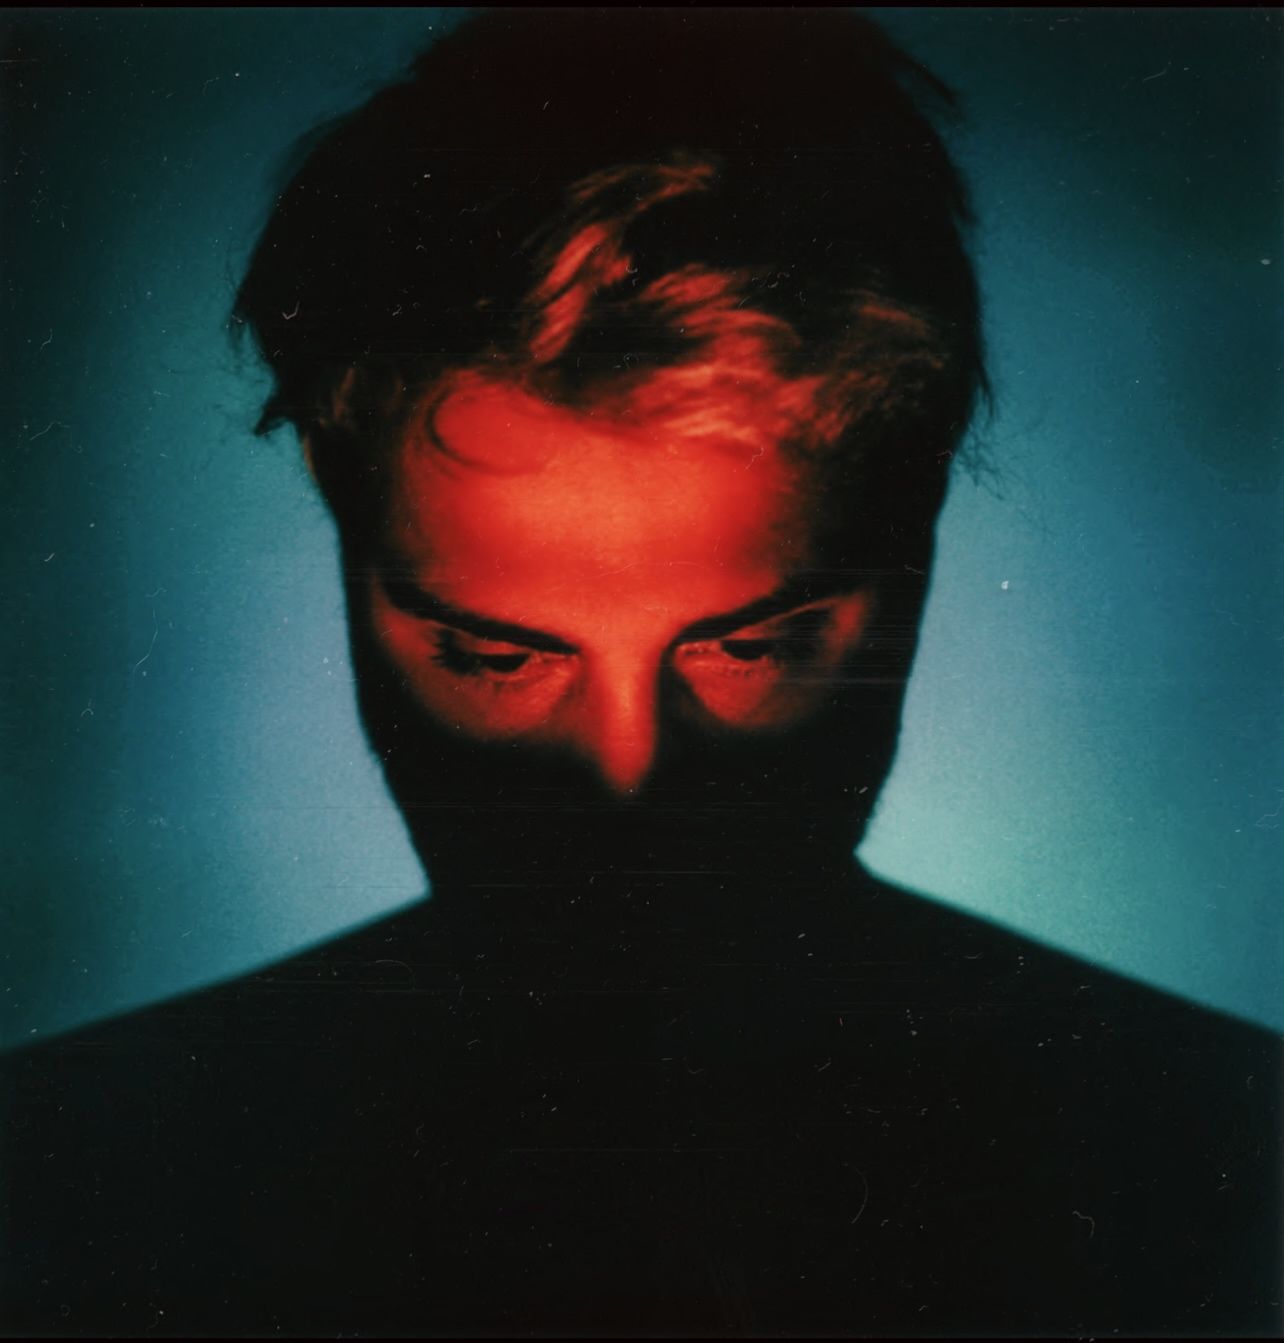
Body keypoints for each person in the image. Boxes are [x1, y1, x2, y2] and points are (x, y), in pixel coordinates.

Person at [3, 9, 1278, 1337]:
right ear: (344, 542)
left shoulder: (1229, 1183)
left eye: (752, 645)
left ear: (916, 560)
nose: (627, 780)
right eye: (495, 654)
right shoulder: (59, 1192)